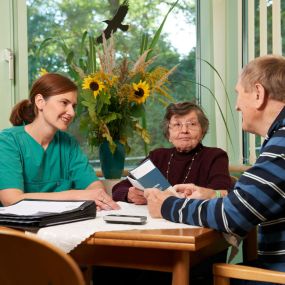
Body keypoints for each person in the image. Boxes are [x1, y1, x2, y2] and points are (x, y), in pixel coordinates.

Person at [145, 54, 285, 285]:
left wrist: (166, 205)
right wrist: (215, 195)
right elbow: (249, 201)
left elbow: (232, 216)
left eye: (239, 93)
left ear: (258, 94)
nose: (238, 105)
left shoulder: (280, 146)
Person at [0, 73, 119, 211]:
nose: (72, 112)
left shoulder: (69, 144)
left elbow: (95, 189)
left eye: (73, 106)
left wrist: (92, 197)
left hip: (62, 226)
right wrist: (75, 195)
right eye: (64, 103)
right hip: (17, 231)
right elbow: (11, 199)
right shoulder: (8, 142)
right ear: (40, 102)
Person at [112, 101, 233, 204]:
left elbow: (224, 194)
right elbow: (118, 189)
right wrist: (129, 194)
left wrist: (207, 194)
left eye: (192, 124)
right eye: (177, 125)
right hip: (155, 224)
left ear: (202, 131)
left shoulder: (215, 156)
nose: (184, 130)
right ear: (168, 134)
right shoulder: (157, 157)